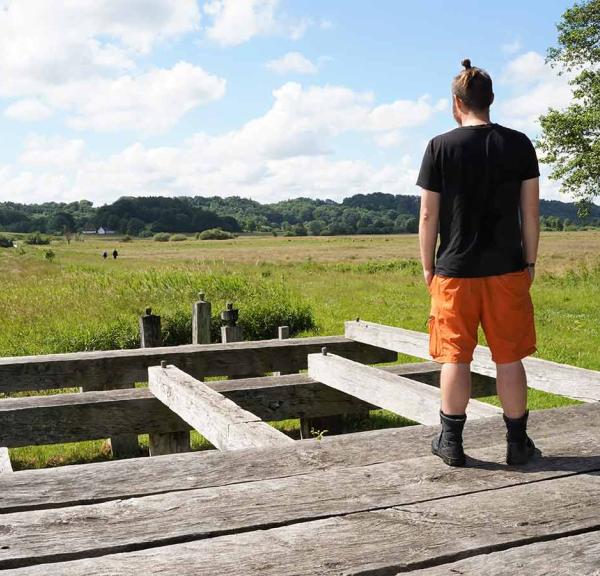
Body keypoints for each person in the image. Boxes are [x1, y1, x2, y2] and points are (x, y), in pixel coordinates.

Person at [417, 59, 540, 467]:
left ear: (457, 103)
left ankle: (451, 443)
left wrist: (427, 267)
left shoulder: (439, 147)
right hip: (508, 268)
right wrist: (530, 262)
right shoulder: (519, 144)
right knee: (509, 357)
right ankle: (517, 443)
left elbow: (428, 216)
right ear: (490, 100)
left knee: (455, 356)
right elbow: (531, 212)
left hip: (454, 272)